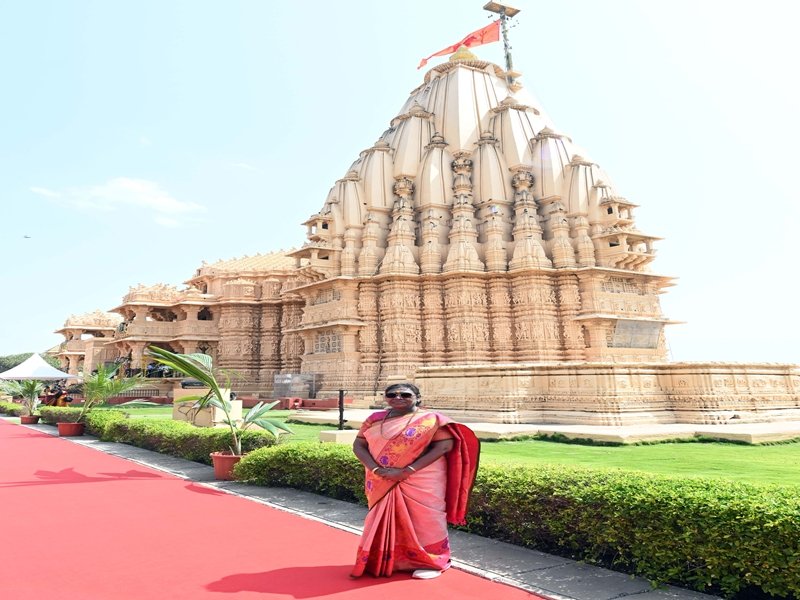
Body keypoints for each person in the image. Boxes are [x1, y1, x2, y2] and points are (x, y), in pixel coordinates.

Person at [350, 382, 480, 579]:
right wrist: (376, 469)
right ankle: (390, 558)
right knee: (384, 516)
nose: (398, 398)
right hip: (381, 478)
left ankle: (433, 561)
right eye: (392, 394)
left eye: (405, 394)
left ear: (417, 397)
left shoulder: (430, 419)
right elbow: (359, 444)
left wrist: (406, 471)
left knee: (426, 520)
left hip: (422, 477)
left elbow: (444, 446)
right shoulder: (375, 419)